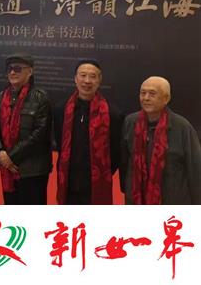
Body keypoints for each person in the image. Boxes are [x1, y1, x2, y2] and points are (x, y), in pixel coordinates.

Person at [121, 76, 201, 204]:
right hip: (137, 199)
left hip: (172, 201)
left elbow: (195, 168)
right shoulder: (130, 122)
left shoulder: (182, 127)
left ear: (166, 98)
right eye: (143, 93)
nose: (146, 98)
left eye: (152, 94)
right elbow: (124, 161)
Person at [53, 59, 122, 204]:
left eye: (92, 76)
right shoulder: (61, 109)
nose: (87, 81)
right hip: (69, 179)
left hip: (96, 182)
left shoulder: (113, 113)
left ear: (99, 80)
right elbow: (60, 142)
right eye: (83, 75)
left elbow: (116, 151)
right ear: (75, 79)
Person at [0, 54, 52, 205]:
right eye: (9, 69)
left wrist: (11, 156)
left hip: (33, 170)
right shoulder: (2, 97)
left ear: (30, 72)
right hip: (7, 168)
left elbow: (39, 134)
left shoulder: (41, 97)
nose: (12, 72)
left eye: (17, 69)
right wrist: (0, 152)